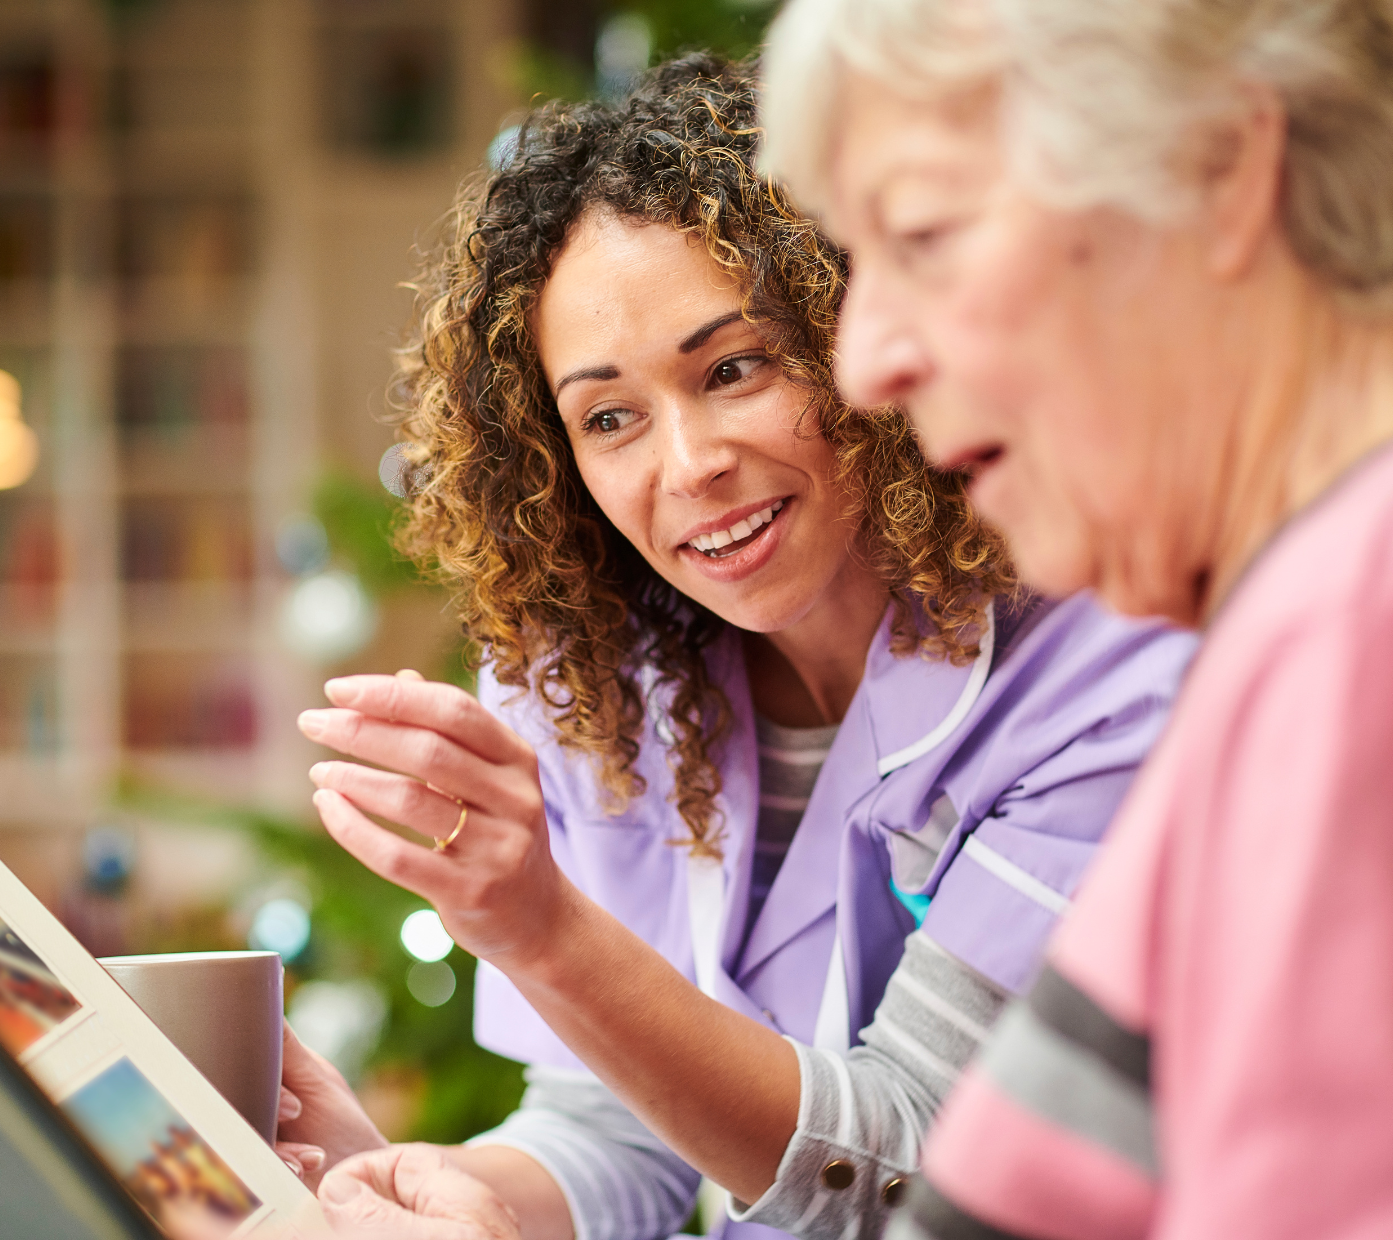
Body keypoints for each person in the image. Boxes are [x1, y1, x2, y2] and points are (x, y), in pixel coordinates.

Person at [285, 55, 1194, 1240]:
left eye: (734, 367)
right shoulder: (598, 688)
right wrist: (430, 1193)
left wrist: (546, 931)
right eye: (609, 417)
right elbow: (614, 1129)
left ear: (860, 335)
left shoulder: (1106, 674)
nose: (686, 464)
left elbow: (917, 1167)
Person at [750, 0, 1393, 1237]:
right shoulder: (1330, 602)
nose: (864, 360)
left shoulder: (1386, 614)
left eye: (926, 234)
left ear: (1219, 170)